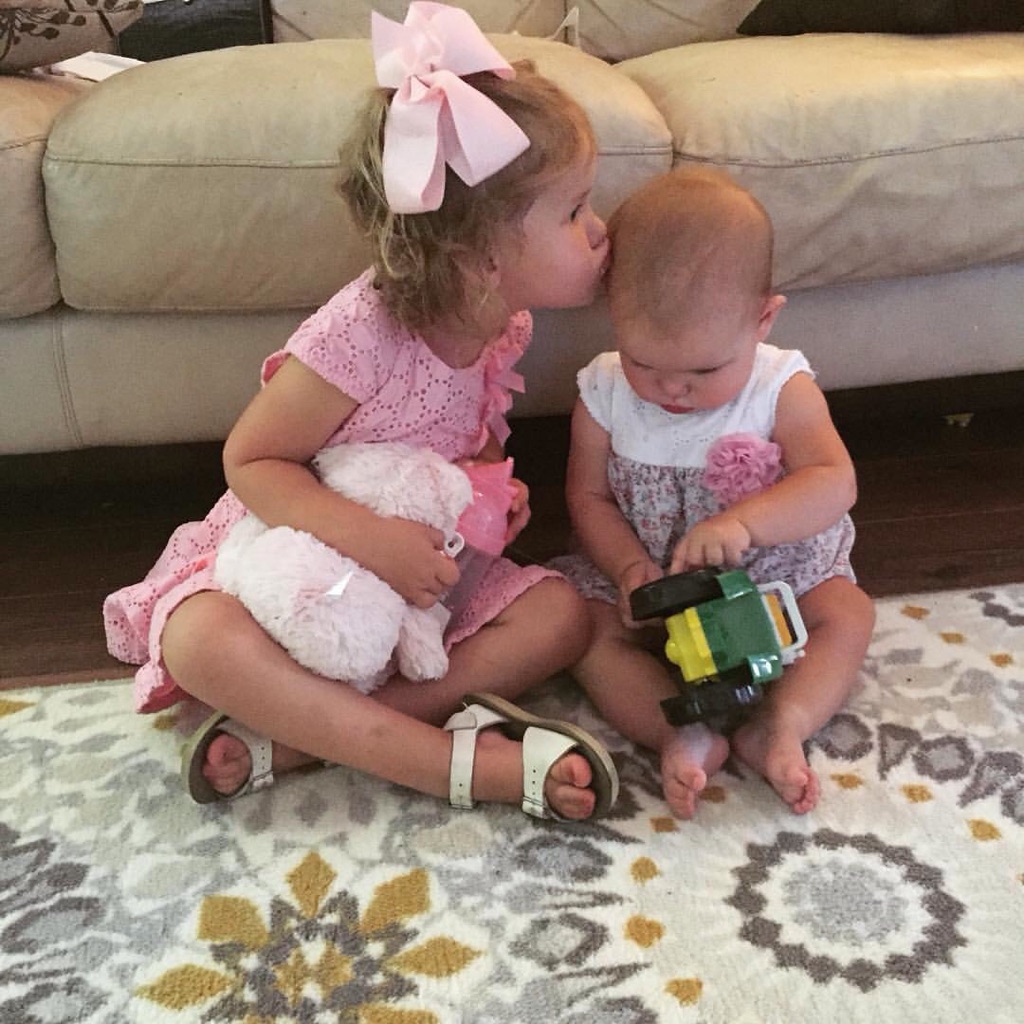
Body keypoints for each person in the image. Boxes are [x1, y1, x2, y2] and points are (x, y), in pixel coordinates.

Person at [102, 2, 618, 822]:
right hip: (304, 569)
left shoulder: (501, 322)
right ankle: (443, 763)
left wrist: (489, 493)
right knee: (198, 640)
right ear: (480, 257)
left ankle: (309, 737)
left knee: (561, 617)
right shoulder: (360, 332)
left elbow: (464, 442)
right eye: (575, 211)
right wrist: (372, 542)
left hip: (414, 594)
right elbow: (252, 460)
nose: (600, 230)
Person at [556, 167, 875, 819]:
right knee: (584, 631)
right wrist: (627, 567)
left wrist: (744, 525)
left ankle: (780, 723)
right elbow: (588, 498)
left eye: (704, 369)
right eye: (645, 362)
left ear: (763, 319)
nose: (672, 389)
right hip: (656, 584)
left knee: (848, 614)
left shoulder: (780, 386)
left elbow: (833, 479)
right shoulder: (604, 394)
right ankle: (680, 730)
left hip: (772, 577)